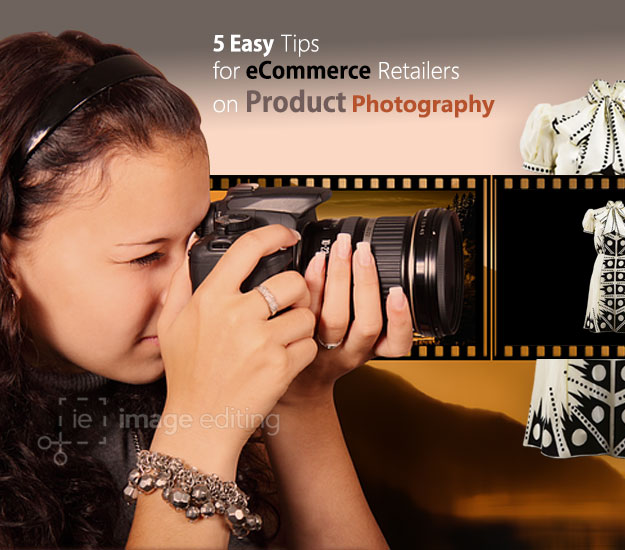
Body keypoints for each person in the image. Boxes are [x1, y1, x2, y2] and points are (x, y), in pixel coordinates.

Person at [0, 30, 413, 549]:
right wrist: (198, 427)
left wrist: (298, 401)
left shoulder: (202, 373)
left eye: (201, 240)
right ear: (8, 260)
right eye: (146, 256)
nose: (195, 289)